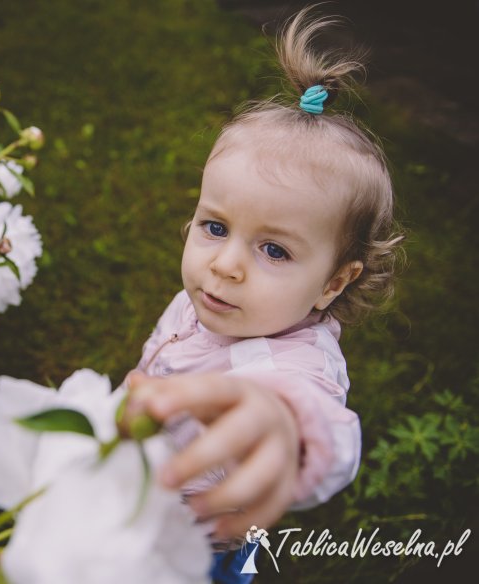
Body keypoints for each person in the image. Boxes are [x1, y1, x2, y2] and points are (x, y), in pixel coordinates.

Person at [122, 5, 403, 582]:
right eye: (216, 227)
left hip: (203, 541)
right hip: (139, 489)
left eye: (274, 250)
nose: (224, 266)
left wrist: (282, 423)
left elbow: (317, 425)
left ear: (333, 282)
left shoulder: (294, 366)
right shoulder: (218, 305)